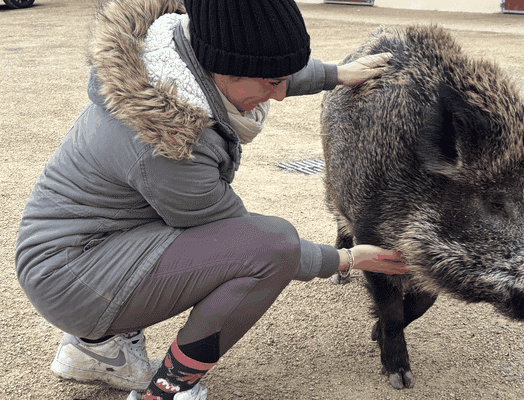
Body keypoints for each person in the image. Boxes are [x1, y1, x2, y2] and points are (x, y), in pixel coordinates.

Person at [14, 0, 408, 399]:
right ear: (224, 70)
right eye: (271, 84)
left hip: (75, 250)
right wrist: (345, 259)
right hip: (73, 280)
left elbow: (266, 69)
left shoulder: (171, 57)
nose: (281, 95)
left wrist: (336, 75)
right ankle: (168, 390)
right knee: (272, 246)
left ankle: (95, 351)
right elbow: (251, 243)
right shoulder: (168, 143)